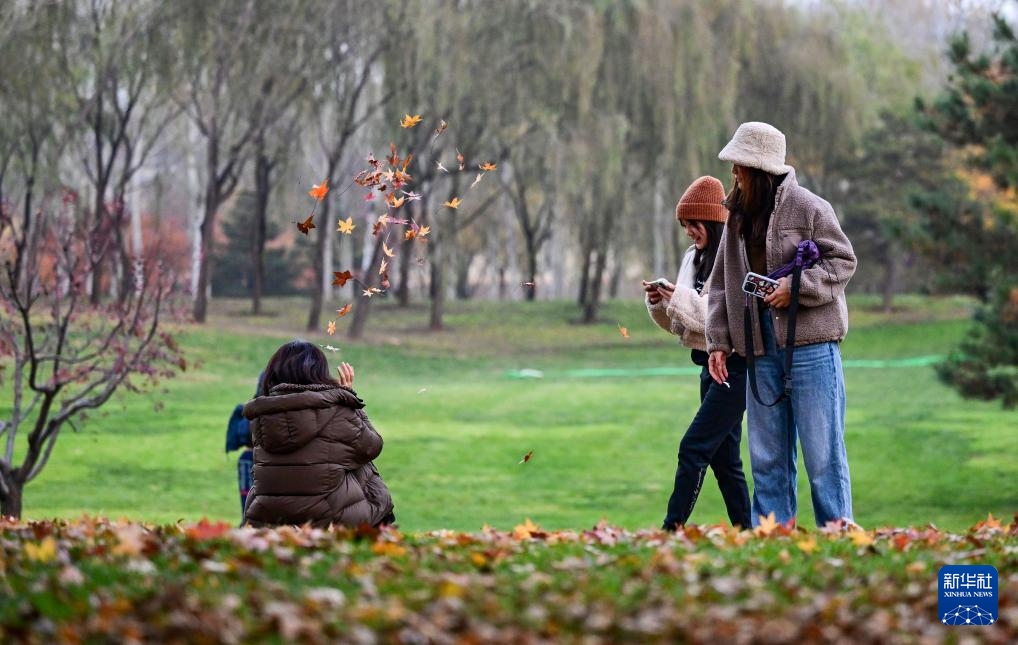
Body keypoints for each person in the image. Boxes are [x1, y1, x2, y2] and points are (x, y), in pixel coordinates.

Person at [705, 121, 857, 527]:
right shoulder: (735, 216)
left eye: (739, 165)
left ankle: (837, 540)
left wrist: (798, 286)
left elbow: (843, 260)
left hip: (812, 351)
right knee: (768, 459)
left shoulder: (810, 208)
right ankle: (772, 542)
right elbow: (721, 284)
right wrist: (718, 340)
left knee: (823, 457)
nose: (733, 173)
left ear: (759, 170)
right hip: (759, 352)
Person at [644, 176, 752, 530]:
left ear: (713, 222)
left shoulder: (733, 259)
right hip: (707, 367)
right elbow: (684, 327)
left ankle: (671, 529)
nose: (689, 231)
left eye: (694, 224)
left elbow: (716, 317)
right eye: (685, 225)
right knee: (725, 462)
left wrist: (677, 298)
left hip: (734, 368)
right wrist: (660, 302)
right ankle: (749, 532)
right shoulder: (695, 259)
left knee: (693, 448)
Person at [242, 340, 395, 528]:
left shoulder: (262, 416)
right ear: (318, 372)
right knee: (365, 469)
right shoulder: (336, 410)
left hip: (271, 519)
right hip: (329, 521)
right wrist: (350, 400)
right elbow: (372, 446)